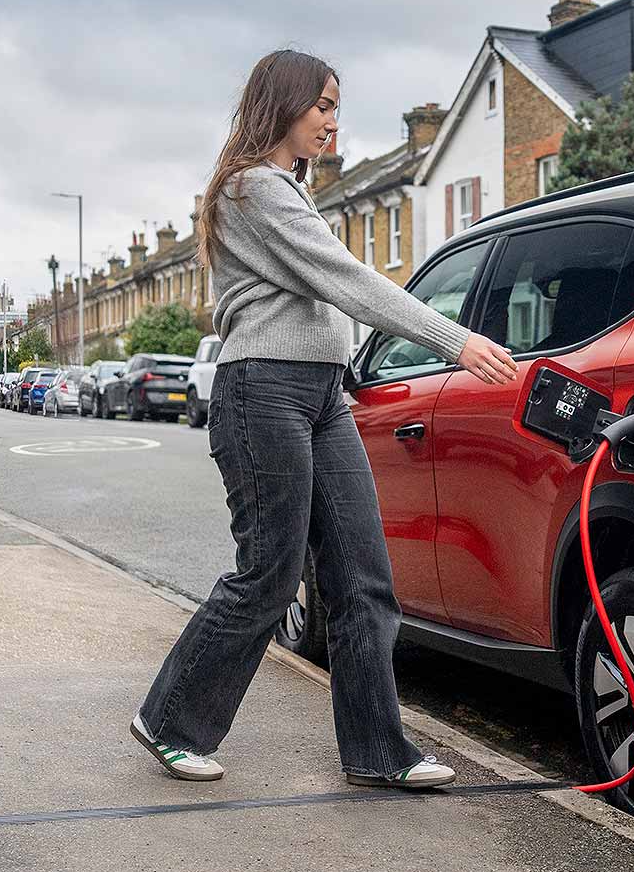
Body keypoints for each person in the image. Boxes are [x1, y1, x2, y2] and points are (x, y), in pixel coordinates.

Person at [132, 49, 518, 789]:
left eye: (338, 109)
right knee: (271, 576)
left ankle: (378, 751)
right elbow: (349, 282)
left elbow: (335, 296)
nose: (334, 123)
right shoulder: (250, 190)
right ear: (285, 102)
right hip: (261, 392)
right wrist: (455, 339)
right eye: (325, 107)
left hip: (320, 395)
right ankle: (171, 718)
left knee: (365, 577)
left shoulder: (289, 192)